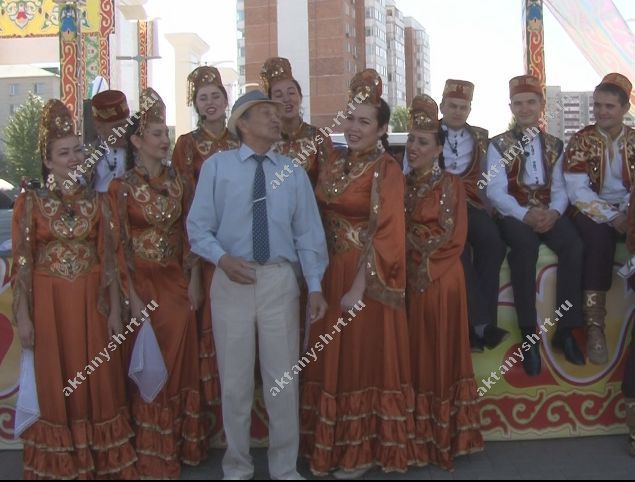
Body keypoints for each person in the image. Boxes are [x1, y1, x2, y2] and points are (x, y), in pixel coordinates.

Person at [186, 89, 328, 480]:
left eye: (277, 112)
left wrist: (314, 286)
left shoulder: (293, 171)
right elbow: (198, 228)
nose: (276, 117)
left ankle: (284, 468)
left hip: (279, 281)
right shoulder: (217, 167)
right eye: (265, 112)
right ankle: (237, 467)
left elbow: (309, 235)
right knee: (234, 382)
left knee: (283, 379)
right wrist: (222, 260)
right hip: (231, 280)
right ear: (242, 123)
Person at [12, 99, 137, 479]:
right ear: (48, 162)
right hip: (49, 310)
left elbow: (111, 263)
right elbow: (22, 265)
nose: (72, 158)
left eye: (78, 150)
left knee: (96, 381)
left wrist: (116, 312)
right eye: (63, 153)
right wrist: (23, 318)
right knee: (56, 384)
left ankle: (98, 461)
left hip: (92, 307)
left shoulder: (101, 202)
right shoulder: (30, 203)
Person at [300, 69, 415, 479]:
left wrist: (358, 286)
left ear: (383, 129)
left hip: (364, 280)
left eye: (365, 121)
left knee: (360, 362)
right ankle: (329, 447)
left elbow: (387, 234)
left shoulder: (387, 170)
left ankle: (358, 452)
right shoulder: (333, 160)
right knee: (330, 359)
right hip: (328, 272)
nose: (353, 127)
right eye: (350, 118)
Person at [109, 88, 208, 479]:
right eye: (155, 133)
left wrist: (195, 280)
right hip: (140, 287)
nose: (164, 139)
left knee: (176, 364)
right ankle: (149, 450)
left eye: (165, 132)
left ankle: (179, 445)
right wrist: (130, 296)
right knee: (145, 363)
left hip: (175, 284)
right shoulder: (121, 189)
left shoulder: (180, 183)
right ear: (136, 141)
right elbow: (115, 248)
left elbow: (191, 236)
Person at [486, 74, 585, 376]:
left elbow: (561, 188)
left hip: (547, 212)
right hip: (515, 214)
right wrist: (523, 214)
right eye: (519, 103)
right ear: (511, 107)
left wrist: (554, 213)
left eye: (531, 102)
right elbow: (494, 191)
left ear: (541, 105)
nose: (525, 108)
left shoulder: (555, 144)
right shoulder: (498, 145)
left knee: (573, 245)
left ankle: (565, 331)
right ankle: (530, 337)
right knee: (524, 250)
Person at [405, 94, 484, 470]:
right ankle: (416, 436)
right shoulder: (399, 183)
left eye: (423, 142)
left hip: (442, 277)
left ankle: (446, 437)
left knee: (440, 352)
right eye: (410, 141)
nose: (414, 148)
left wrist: (425, 264)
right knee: (414, 354)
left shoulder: (451, 184)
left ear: (438, 148)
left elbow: (454, 234)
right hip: (408, 279)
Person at [172, 66, 239, 409]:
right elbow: (185, 209)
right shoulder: (186, 145)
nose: (210, 103)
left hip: (240, 247)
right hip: (207, 252)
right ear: (195, 105)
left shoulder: (241, 141)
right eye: (203, 98)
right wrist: (194, 268)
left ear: (226, 100)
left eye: (216, 96)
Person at [564, 73, 634, 365]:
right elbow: (576, 190)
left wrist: (628, 212)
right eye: (597, 105)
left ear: (624, 109)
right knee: (598, 239)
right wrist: (611, 216)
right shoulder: (582, 140)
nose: (602, 112)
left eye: (609, 106)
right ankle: (594, 327)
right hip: (591, 208)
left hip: (630, 207)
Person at [439, 79, 508, 352]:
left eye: (463, 107)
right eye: (452, 106)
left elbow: (491, 180)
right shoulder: (426, 133)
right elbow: (410, 172)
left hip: (470, 205)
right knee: (458, 250)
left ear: (470, 109)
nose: (457, 111)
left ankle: (482, 324)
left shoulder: (481, 137)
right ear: (442, 105)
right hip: (437, 207)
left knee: (493, 243)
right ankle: (478, 326)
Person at [260, 56, 332, 187]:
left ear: (300, 97)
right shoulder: (263, 141)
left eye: (291, 92)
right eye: (278, 95)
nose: (286, 99)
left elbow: (327, 185)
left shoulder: (319, 137)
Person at [89, 89, 131, 191]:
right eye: (117, 127)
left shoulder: (140, 152)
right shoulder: (87, 157)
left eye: (127, 124)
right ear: (99, 128)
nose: (124, 130)